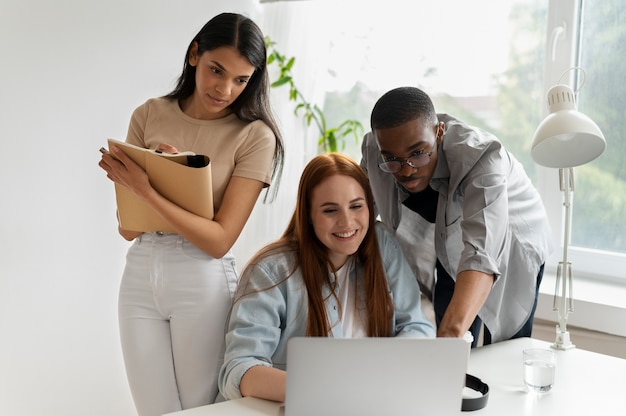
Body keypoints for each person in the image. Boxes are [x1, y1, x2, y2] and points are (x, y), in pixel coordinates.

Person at [98, 12, 284, 416]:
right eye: (217, 70)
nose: (225, 89)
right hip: (141, 271)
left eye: (241, 80)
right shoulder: (148, 114)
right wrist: (156, 182)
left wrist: (148, 187)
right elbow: (128, 228)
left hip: (202, 277)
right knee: (153, 411)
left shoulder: (255, 136)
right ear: (194, 55)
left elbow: (219, 240)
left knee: (200, 411)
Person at [218, 153, 435, 402]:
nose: (347, 222)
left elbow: (417, 326)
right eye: (330, 210)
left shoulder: (381, 244)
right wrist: (327, 391)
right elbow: (239, 370)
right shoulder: (270, 271)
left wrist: (378, 375)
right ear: (308, 215)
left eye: (356, 206)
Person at [361, 86, 552, 347]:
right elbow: (357, 213)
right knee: (450, 325)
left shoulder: (483, 158)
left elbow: (481, 255)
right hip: (450, 241)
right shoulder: (375, 149)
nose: (406, 171)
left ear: (439, 132)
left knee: (504, 347)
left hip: (512, 240)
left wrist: (450, 336)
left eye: (418, 153)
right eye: (393, 159)